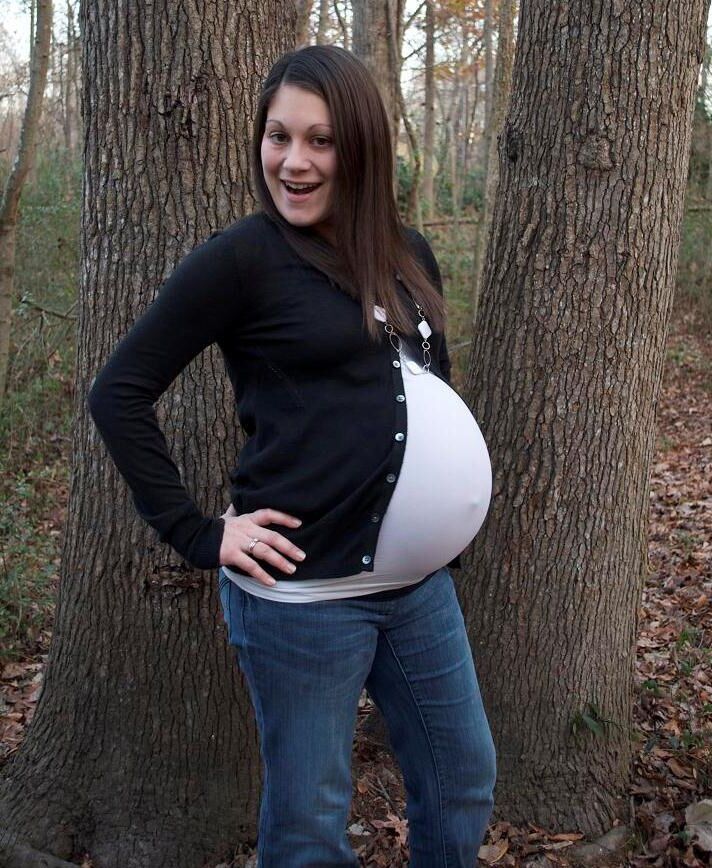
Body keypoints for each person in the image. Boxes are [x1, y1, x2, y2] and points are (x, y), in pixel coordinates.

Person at [88, 43, 496, 868]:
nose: (294, 162)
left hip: (418, 592)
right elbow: (118, 392)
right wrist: (201, 534)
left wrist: (444, 516)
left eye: (320, 140)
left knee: (463, 780)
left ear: (363, 149)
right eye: (279, 137)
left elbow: (424, 393)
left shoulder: (409, 252)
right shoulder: (242, 258)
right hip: (303, 601)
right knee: (311, 825)